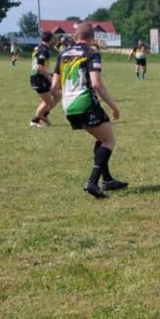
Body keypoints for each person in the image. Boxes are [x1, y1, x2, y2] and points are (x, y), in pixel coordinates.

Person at [50, 22, 126, 198]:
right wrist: (113, 106)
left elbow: (55, 85)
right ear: (92, 38)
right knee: (108, 141)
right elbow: (96, 84)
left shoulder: (63, 54)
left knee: (101, 137)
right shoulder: (91, 53)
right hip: (84, 102)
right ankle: (92, 182)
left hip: (68, 105)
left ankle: (107, 180)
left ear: (75, 36)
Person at [29, 30, 60, 127]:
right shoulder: (44, 50)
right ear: (51, 39)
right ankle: (35, 120)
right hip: (39, 77)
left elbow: (37, 65)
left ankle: (44, 114)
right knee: (47, 101)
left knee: (58, 95)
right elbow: (39, 66)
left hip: (40, 76)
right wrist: (49, 77)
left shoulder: (38, 47)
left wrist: (49, 73)